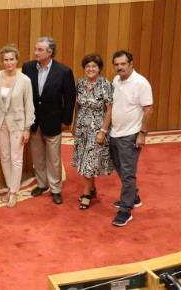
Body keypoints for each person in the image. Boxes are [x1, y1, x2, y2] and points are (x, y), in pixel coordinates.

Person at [22, 36, 75, 205]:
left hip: (54, 122)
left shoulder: (64, 72)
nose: (35, 52)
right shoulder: (28, 67)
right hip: (34, 121)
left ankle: (56, 189)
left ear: (50, 52)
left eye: (39, 50)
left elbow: (70, 98)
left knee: (53, 159)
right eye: (35, 49)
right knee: (38, 157)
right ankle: (42, 184)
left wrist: (66, 120)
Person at [0, 44, 34, 208]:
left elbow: (29, 105)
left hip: (18, 123)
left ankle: (14, 192)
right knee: (5, 157)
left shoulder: (25, 80)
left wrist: (27, 129)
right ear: (1, 61)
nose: (8, 62)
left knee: (16, 158)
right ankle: (9, 188)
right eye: (5, 60)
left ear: (17, 60)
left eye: (11, 59)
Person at [109, 50, 153, 227]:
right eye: (116, 64)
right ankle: (133, 196)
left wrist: (142, 134)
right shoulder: (116, 81)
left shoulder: (141, 83)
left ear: (131, 64)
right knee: (119, 167)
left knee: (128, 173)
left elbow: (148, 109)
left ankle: (125, 210)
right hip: (115, 132)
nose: (119, 67)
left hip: (131, 135)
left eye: (123, 64)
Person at [71, 53, 114, 210]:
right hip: (82, 127)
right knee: (84, 159)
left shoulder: (105, 85)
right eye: (88, 66)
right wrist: (75, 124)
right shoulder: (80, 83)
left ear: (99, 68)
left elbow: (109, 110)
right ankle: (92, 189)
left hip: (97, 128)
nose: (90, 69)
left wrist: (103, 131)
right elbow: (78, 105)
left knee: (89, 161)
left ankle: (86, 194)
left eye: (94, 66)